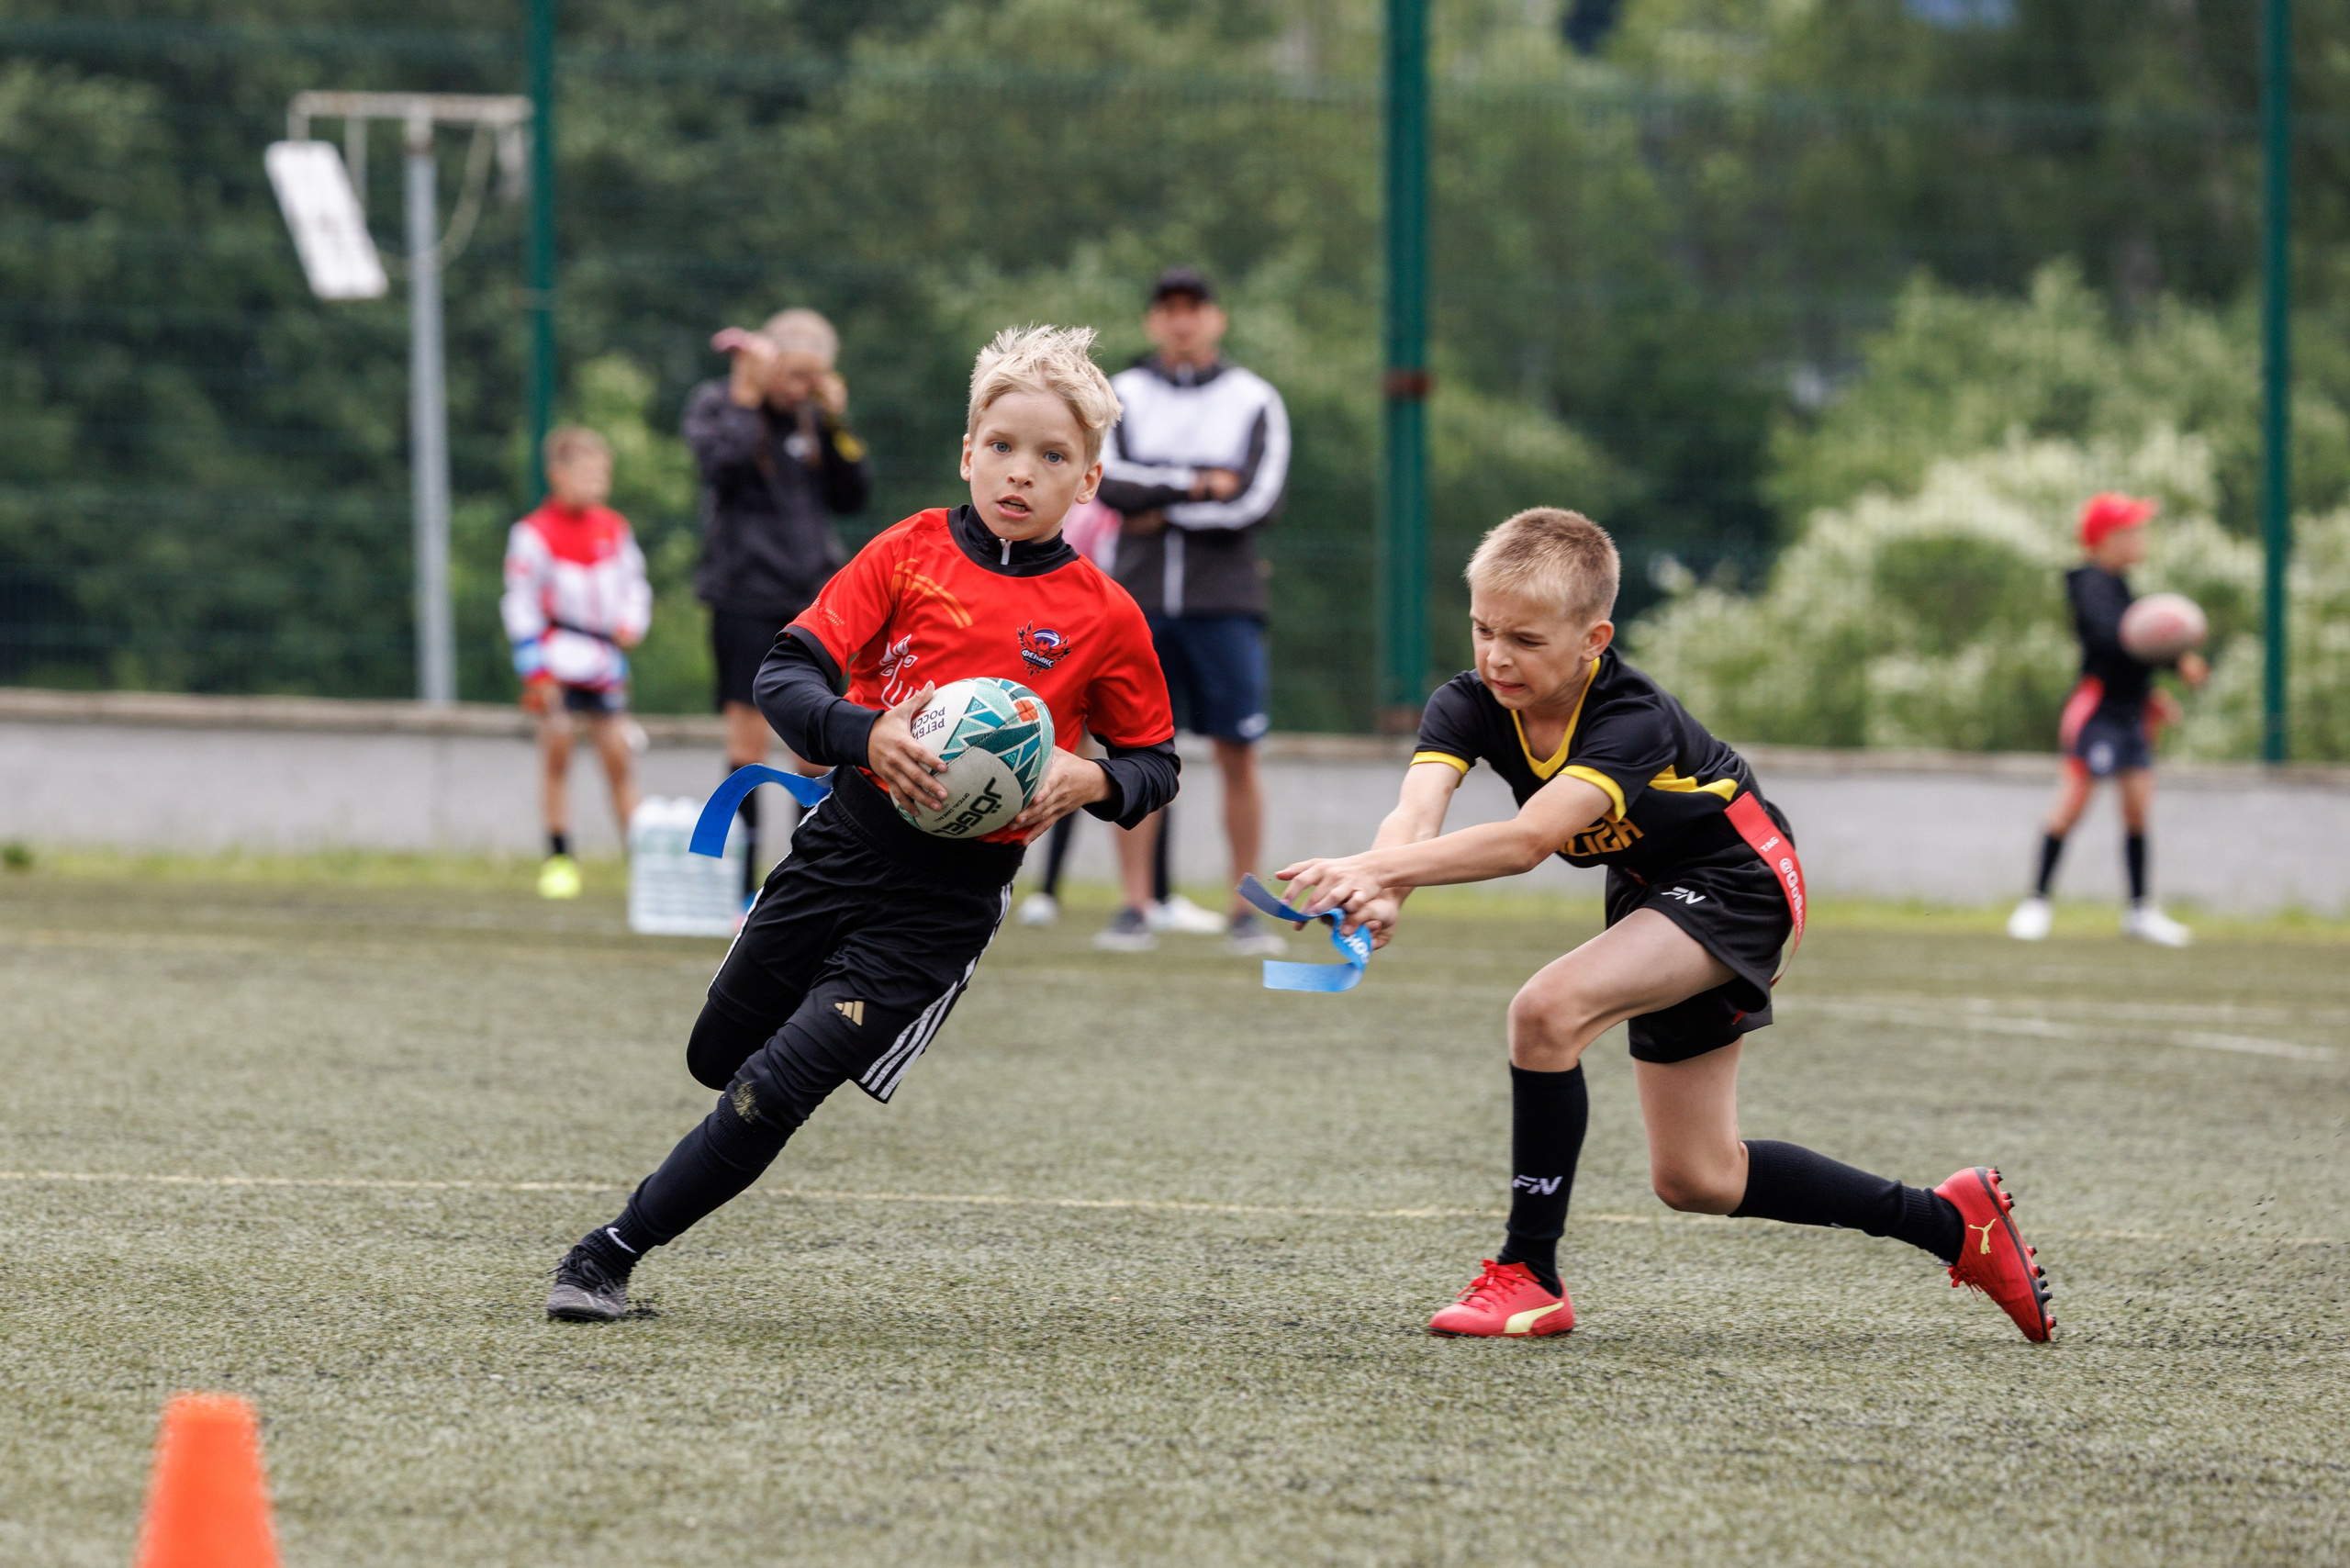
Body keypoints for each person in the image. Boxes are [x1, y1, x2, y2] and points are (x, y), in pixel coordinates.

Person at [1275, 509, 2053, 1344]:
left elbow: (1530, 840)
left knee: (1545, 1012)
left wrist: (1373, 871)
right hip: (1653, 888)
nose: (1497, 655)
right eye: (1482, 629)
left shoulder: (1630, 715)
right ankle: (1951, 1222)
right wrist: (1387, 887)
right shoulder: (1468, 702)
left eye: (1527, 640)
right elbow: (1415, 809)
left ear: (1593, 638)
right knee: (1699, 1177)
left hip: (1739, 880)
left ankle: (1528, 1277)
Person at [546, 326, 1180, 1322]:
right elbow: (782, 674)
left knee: (774, 1083)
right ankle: (706, 1120)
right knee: (717, 1056)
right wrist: (862, 733)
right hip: (842, 842)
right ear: (967, 451)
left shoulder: (1104, 615)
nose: (1022, 473)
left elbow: (1156, 766)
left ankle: (604, 1256)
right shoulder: (908, 550)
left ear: (1089, 479)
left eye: (1052, 456)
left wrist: (1089, 779)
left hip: (941, 904)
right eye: (1003, 446)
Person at [1091, 267, 1290, 956]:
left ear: (1217, 318)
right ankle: (1136, 907)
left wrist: (1159, 505)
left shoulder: (1255, 398)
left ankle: (1245, 911)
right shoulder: (1120, 392)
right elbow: (1106, 481)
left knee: (1238, 751)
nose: (1182, 322)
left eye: (1195, 309)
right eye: (1168, 309)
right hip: (1137, 604)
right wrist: (1200, 483)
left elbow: (1259, 500)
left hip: (1225, 604)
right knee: (1136, 750)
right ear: (1152, 321)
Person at [684, 308, 873, 904]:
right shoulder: (721, 405)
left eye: (811, 378)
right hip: (742, 596)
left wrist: (836, 419)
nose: (799, 389)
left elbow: (853, 493)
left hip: (813, 606)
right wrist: (745, 398)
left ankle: (800, 886)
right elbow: (722, 469)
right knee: (745, 745)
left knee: (811, 747)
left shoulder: (816, 422)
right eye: (793, 375)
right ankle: (741, 891)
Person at [2008, 493, 2208, 947]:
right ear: (2104, 540)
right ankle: (2036, 901)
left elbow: (2134, 653)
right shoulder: (2088, 583)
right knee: (2073, 804)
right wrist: (2176, 657)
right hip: (2098, 711)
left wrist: (2155, 690)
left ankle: (2139, 909)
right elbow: (2118, 641)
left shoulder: (2121, 585)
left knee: (2138, 807)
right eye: (2131, 531)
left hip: (2131, 711)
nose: (2141, 539)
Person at [501, 426, 653, 900]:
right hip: (556, 657)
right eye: (584, 471)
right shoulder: (532, 534)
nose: (594, 481)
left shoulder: (614, 529)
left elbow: (635, 587)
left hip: (602, 660)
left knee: (618, 757)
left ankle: (642, 859)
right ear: (557, 474)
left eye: (600, 472)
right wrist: (535, 667)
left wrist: (632, 624)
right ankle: (559, 856)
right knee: (558, 751)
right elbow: (520, 601)